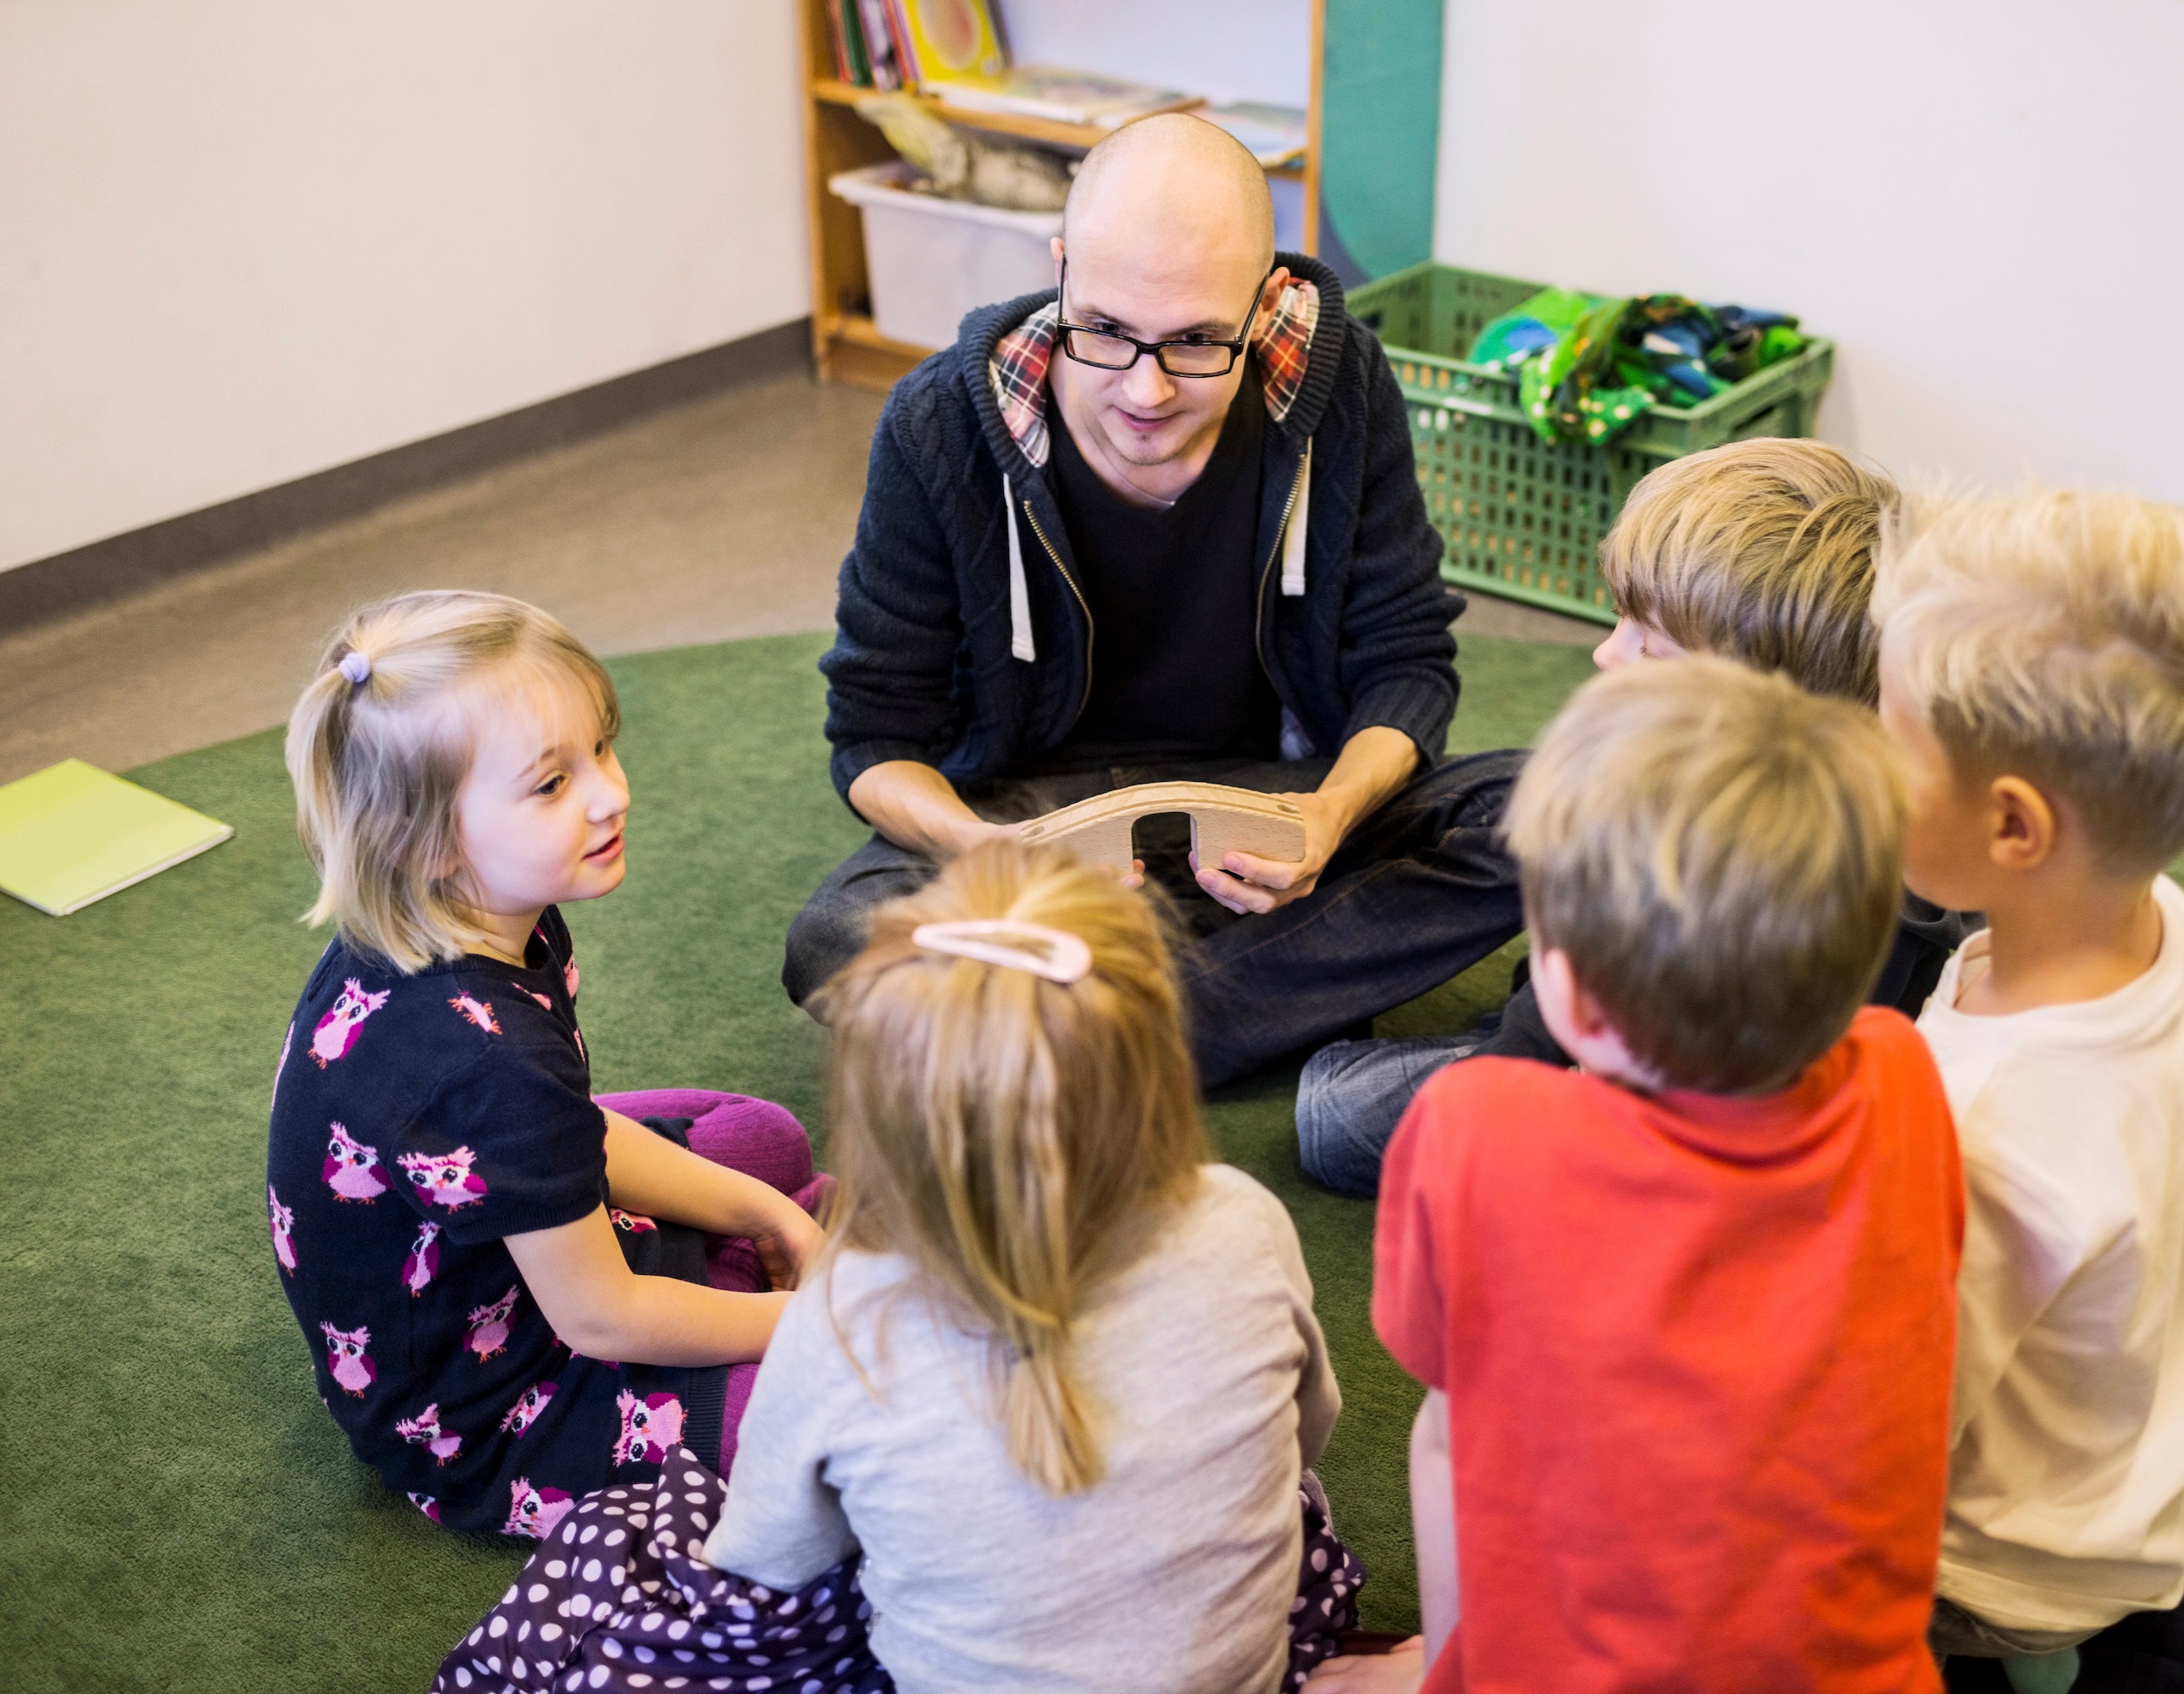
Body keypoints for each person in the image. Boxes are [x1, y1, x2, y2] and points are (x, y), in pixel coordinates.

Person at [439, 842, 1364, 1694]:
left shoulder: (847, 1322)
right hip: (1236, 1670)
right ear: (1159, 1060)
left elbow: (766, 1558)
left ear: (880, 1116)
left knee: (620, 1539)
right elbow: (1304, 1431)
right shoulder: (1243, 1218)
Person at [783, 112, 1524, 1088]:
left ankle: (1070, 1031)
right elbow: (874, 736)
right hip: (1030, 813)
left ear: (1266, 305)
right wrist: (994, 852)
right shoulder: (939, 420)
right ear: (1061, 272)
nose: (1146, 392)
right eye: (1105, 331)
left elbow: (1407, 661)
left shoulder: (1345, 383)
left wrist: (1331, 815)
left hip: (1267, 801)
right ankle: (1252, 997)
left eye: (1198, 341)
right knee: (838, 938)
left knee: (1553, 812)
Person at [1327, 658, 1965, 1692]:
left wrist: (1448, 1669)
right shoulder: (1905, 1078)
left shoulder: (1473, 1127)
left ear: (1571, 994)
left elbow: (1449, 1435)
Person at [267, 590, 828, 1536]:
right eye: (551, 784)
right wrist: (823, 1323)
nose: (612, 793)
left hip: (525, 1234)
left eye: (602, 747)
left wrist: (760, 1209)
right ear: (428, 843)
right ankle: (742, 1293)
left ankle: (734, 1271)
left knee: (761, 1142)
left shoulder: (471, 912)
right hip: (493, 1414)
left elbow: (564, 1126)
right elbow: (602, 1318)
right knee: (825, 1414)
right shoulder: (481, 1061)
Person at [1295, 439, 1978, 1196]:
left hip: (1673, 1114)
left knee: (1334, 1109)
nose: (1605, 656)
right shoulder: (1771, 779)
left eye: (1651, 647)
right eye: (1620, 622)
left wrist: (1521, 1083)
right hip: (1639, 1036)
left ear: (1765, 697)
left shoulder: (1837, 888)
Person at [1872, 489, 2184, 1669]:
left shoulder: (1982, 1129)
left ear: (2014, 828)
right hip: (2123, 1502)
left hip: (1981, 1574)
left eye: (1887, 740)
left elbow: (1883, 1434)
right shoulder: (2168, 927)